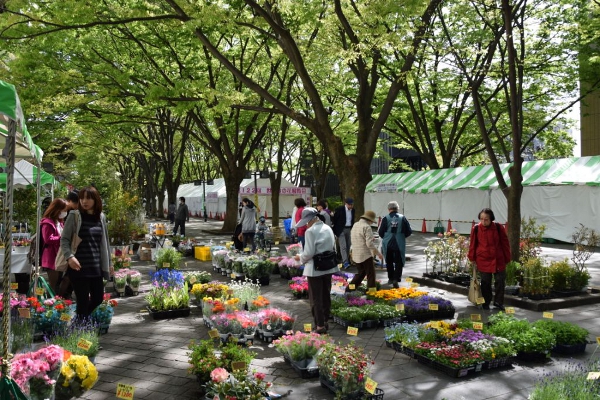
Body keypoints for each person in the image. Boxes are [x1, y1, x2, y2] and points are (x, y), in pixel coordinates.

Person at [60, 186, 113, 320]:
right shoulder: (74, 216)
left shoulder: (100, 217)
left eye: (88, 198)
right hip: (78, 267)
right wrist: (70, 257)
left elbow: (105, 242)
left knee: (98, 298)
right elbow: (64, 240)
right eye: (82, 198)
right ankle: (79, 332)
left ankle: (78, 323)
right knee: (82, 303)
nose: (84, 201)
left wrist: (109, 263)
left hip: (96, 267)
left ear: (95, 200)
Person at [293, 207, 336, 334]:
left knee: (315, 298)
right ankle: (325, 321)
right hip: (329, 266)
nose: (306, 224)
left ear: (311, 219)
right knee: (326, 295)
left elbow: (309, 253)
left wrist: (299, 258)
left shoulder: (310, 231)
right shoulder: (328, 228)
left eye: (306, 222)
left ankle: (319, 325)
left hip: (315, 268)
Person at [468, 208, 511, 311]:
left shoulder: (498, 227)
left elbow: (505, 243)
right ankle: (486, 302)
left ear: (491, 219)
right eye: (482, 219)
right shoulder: (476, 228)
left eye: (486, 219)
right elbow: (473, 244)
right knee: (485, 282)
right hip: (483, 259)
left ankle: (498, 302)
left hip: (498, 258)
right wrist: (472, 257)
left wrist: (507, 257)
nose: (484, 221)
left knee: (500, 281)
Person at [378, 201, 412, 288]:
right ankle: (396, 279)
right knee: (399, 261)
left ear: (389, 209)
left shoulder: (385, 218)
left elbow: (380, 232)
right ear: (397, 208)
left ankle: (390, 277)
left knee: (389, 261)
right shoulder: (402, 218)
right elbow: (409, 231)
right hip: (399, 242)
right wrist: (401, 236)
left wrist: (386, 236)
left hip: (388, 241)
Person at [348, 211, 384, 291]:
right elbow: (369, 244)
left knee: (361, 273)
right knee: (371, 274)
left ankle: (349, 289)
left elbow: (357, 237)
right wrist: (378, 253)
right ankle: (372, 292)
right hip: (365, 254)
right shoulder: (367, 227)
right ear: (370, 220)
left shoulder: (355, 224)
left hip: (356, 253)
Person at [39, 198, 69, 294]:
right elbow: (47, 239)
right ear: (57, 209)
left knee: (62, 279)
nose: (65, 212)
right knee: (53, 282)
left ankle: (58, 299)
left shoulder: (59, 222)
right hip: (51, 256)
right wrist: (61, 238)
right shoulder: (47, 223)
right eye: (64, 210)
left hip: (59, 254)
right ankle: (50, 302)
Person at [57, 191, 80, 298]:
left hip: (72, 249)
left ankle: (65, 295)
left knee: (69, 277)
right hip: (66, 251)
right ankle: (60, 297)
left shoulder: (75, 212)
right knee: (65, 277)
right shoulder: (71, 213)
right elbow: (64, 237)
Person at [331, 197, 355, 269]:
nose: (351, 206)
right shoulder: (339, 209)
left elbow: (352, 219)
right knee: (343, 246)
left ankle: (346, 259)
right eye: (349, 205)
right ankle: (345, 262)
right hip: (340, 229)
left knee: (348, 245)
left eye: (352, 205)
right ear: (346, 204)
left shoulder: (353, 210)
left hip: (348, 228)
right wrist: (335, 231)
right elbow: (334, 219)